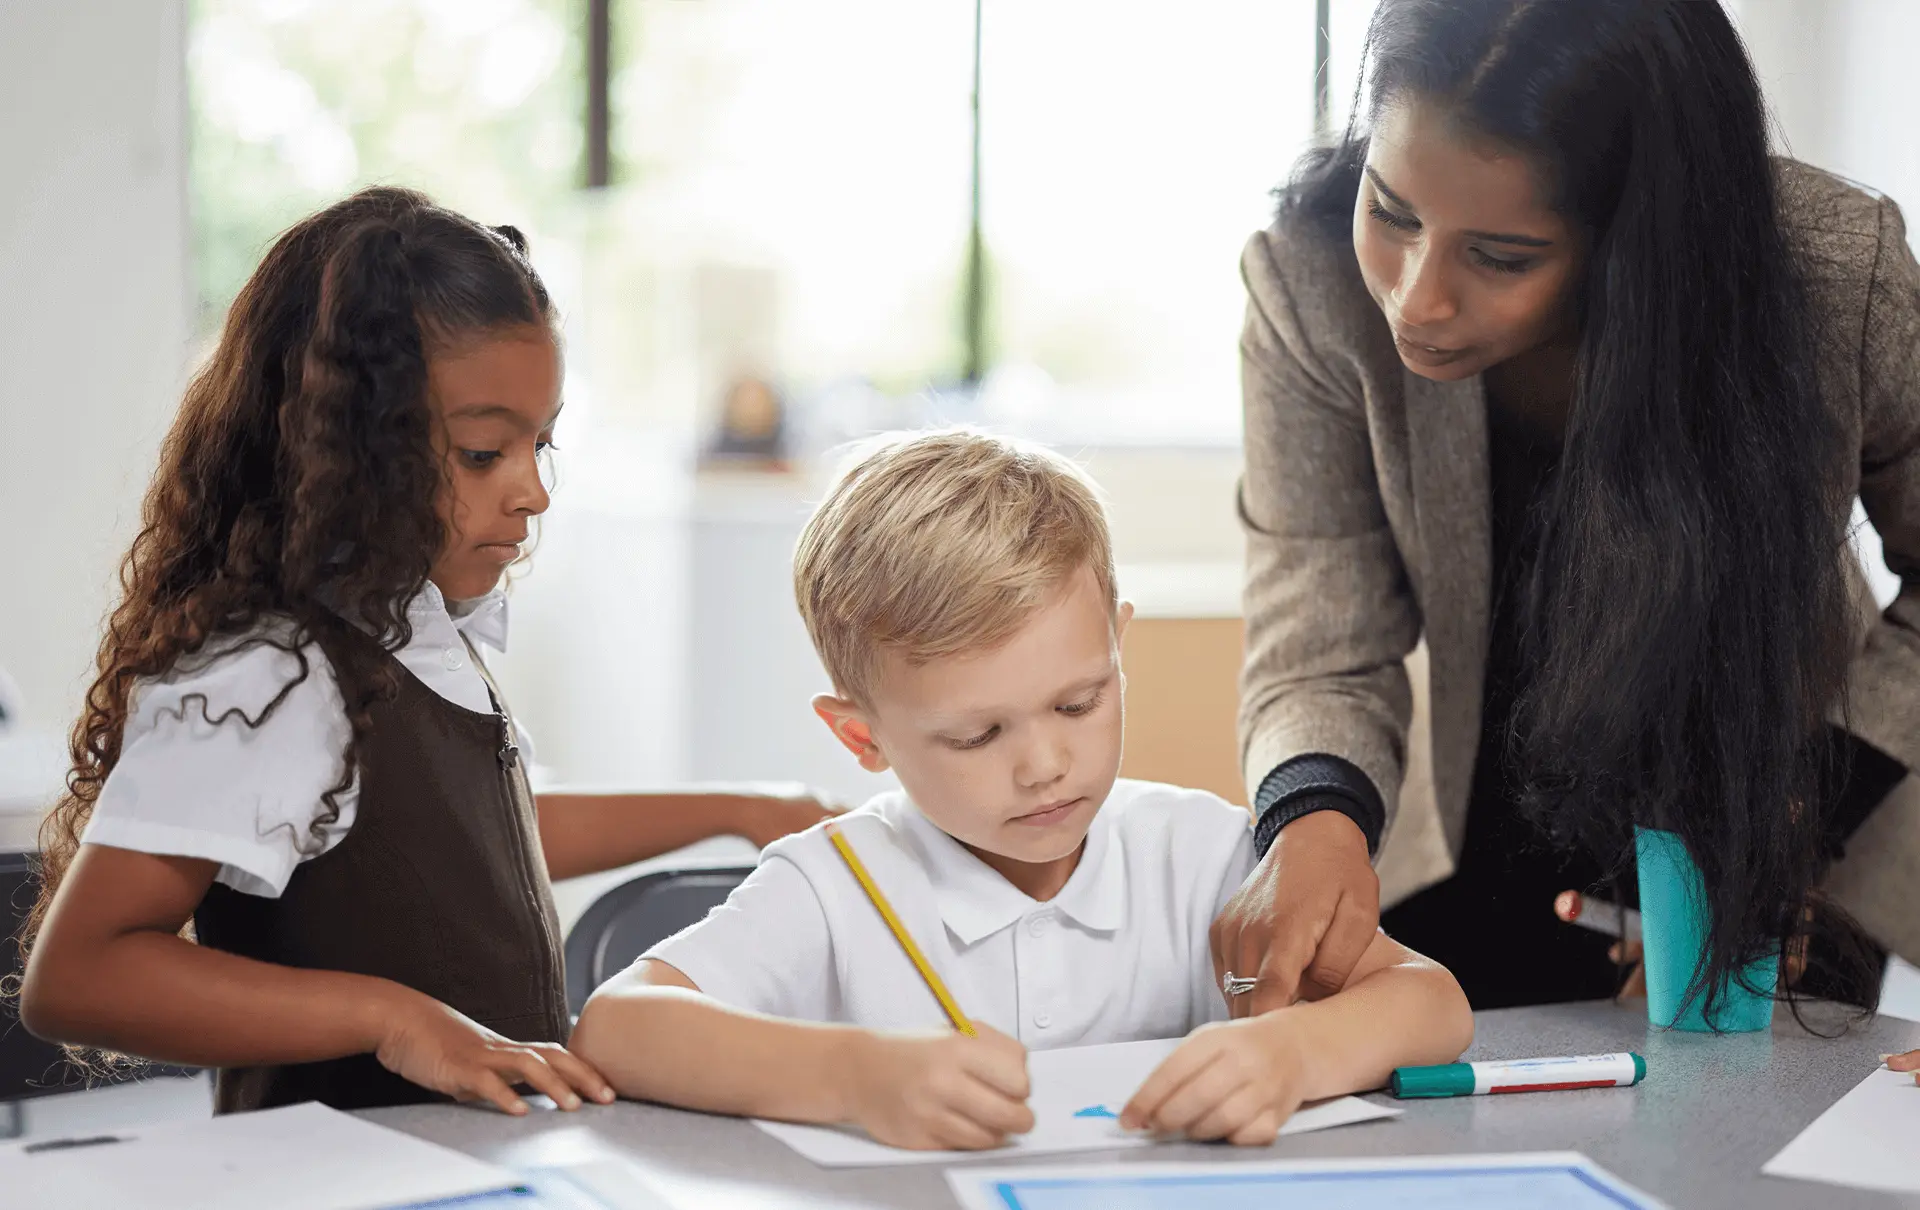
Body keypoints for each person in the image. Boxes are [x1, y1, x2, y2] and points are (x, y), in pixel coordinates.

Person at [14, 187, 834, 1115]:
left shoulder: (414, 629)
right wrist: (394, 1019)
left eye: (542, 442)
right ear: (349, 449)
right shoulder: (273, 676)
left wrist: (741, 807)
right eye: (486, 453)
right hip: (348, 1174)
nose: (533, 490)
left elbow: (485, 841)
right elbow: (81, 976)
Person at [1214, 0, 1920, 1019]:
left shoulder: (1832, 276)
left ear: (1638, 239)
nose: (1415, 299)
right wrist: (1312, 818)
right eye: (1393, 211)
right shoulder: (1311, 286)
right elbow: (1317, 625)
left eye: (1499, 257)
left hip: (1790, 844)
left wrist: (1802, 816)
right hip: (1475, 851)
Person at [568, 430, 1472, 1150]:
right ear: (861, 736)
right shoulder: (835, 883)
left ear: (1119, 647)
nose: (1044, 764)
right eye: (976, 734)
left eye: (1080, 702)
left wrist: (1295, 1052)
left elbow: (1430, 1002)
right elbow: (617, 1027)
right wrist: (856, 1076)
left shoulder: (1203, 853)